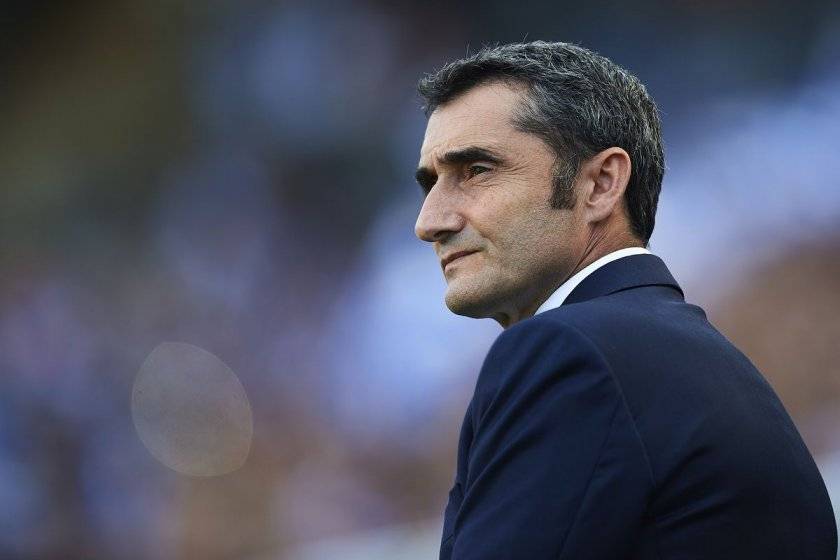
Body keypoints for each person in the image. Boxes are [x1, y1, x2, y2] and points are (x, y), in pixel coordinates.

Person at [413, 41, 837, 560]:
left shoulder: (570, 353)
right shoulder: (677, 358)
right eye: (430, 184)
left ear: (601, 184)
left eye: (477, 170)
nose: (429, 222)